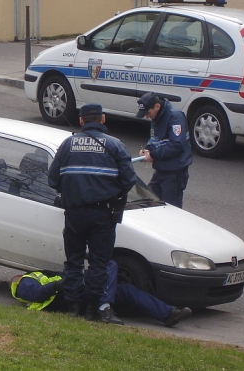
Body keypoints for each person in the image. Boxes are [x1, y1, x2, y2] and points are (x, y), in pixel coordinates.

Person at [48, 103, 137, 322]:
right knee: (99, 263)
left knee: (74, 261)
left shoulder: (68, 144)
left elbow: (52, 179)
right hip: (103, 215)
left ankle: (73, 306)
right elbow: (129, 180)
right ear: (103, 119)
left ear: (81, 121)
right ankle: (91, 308)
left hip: (75, 213)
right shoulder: (115, 145)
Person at [9, 261, 193, 328]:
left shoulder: (40, 274)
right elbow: (38, 294)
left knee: (126, 289)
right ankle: (105, 306)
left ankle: (168, 314)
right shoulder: (22, 283)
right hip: (70, 298)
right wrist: (61, 283)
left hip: (77, 291)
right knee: (109, 265)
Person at [135, 92, 193, 209]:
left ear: (157, 106)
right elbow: (154, 139)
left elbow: (176, 145)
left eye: (148, 112)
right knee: (150, 202)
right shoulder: (157, 116)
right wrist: (147, 150)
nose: (147, 116)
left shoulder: (175, 117)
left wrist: (153, 155)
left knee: (171, 209)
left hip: (174, 171)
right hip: (161, 169)